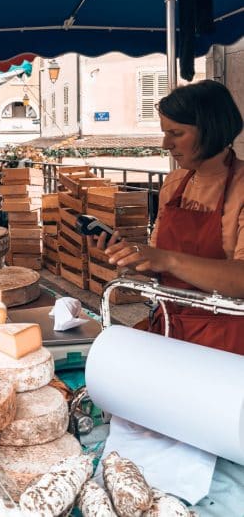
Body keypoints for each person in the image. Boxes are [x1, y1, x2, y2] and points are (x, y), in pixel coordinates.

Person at [96, 80, 244, 354]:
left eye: (176, 133)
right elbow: (162, 264)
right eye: (165, 132)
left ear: (211, 130)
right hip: (171, 325)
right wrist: (134, 257)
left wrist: (166, 258)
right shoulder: (174, 183)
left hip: (228, 340)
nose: (166, 144)